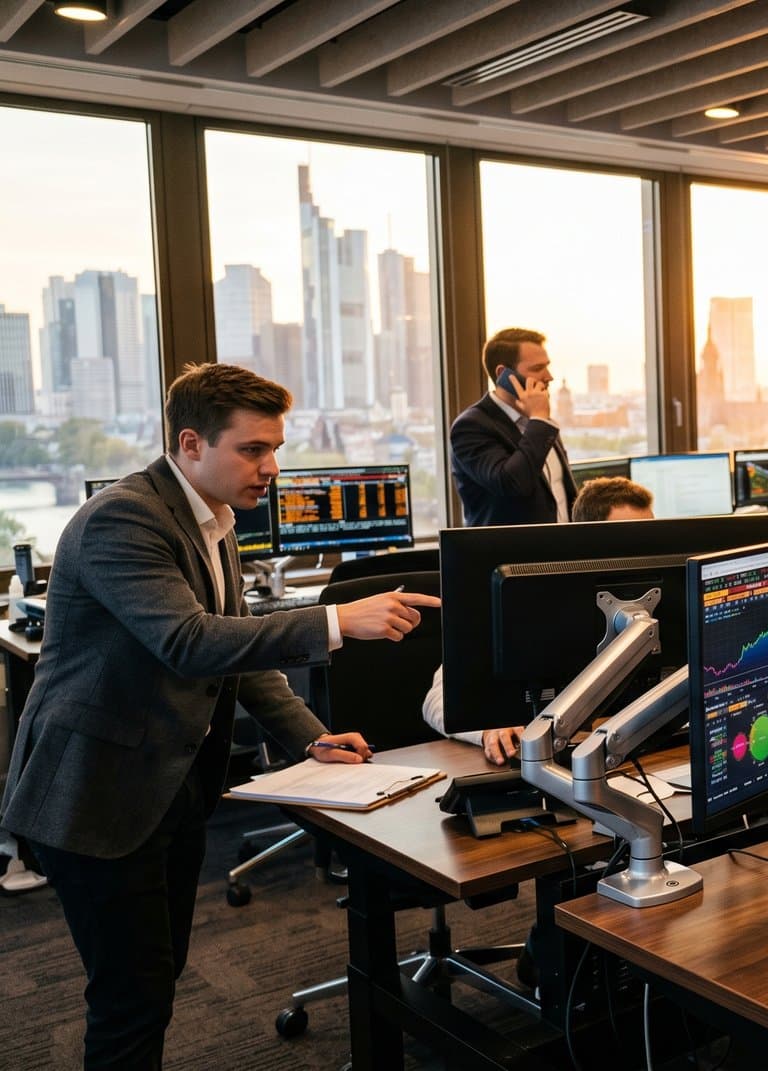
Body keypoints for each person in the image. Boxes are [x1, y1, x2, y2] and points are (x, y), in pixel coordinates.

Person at [0, 363, 439, 1069]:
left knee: (157, 977)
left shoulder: (216, 520)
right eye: (253, 449)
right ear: (191, 442)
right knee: (129, 997)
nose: (272, 467)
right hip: (96, 792)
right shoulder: (124, 517)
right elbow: (190, 642)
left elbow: (241, 653)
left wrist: (310, 737)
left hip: (168, 785)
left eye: (275, 448)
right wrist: (335, 619)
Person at [421, 477, 654, 764]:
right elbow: (438, 700)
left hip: (636, 750)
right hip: (549, 761)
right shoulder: (536, 599)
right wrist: (486, 729)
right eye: (627, 541)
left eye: (650, 538)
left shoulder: (655, 604)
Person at [450, 327, 576, 526]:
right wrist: (539, 421)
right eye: (537, 369)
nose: (549, 376)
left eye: (547, 366)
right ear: (504, 374)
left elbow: (560, 492)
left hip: (561, 551)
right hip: (510, 555)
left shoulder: (541, 421)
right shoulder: (471, 426)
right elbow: (512, 484)